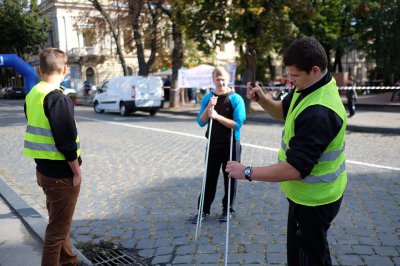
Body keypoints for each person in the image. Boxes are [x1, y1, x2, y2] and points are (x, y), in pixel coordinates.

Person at [226, 37, 347, 266]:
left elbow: (294, 169)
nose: (290, 82)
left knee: (306, 259)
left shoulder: (320, 111)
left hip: (314, 202)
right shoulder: (310, 86)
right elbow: (283, 110)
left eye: (294, 76)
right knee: (315, 252)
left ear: (314, 69)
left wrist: (247, 171)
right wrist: (262, 99)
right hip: (308, 197)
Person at [23, 48, 82, 266]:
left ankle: (70, 261)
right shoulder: (57, 98)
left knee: (59, 222)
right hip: (62, 175)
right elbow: (65, 141)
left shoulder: (33, 94)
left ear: (39, 69)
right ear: (65, 69)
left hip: (44, 172)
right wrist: (76, 171)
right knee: (56, 232)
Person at [191, 66, 246, 223]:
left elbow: (237, 124)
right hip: (213, 143)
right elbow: (201, 122)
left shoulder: (236, 99)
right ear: (213, 81)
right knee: (209, 177)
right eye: (217, 79)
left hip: (230, 144)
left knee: (230, 177)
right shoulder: (208, 97)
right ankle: (203, 209)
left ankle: (227, 209)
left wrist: (217, 116)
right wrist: (209, 108)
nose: (220, 82)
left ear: (228, 80)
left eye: (223, 79)